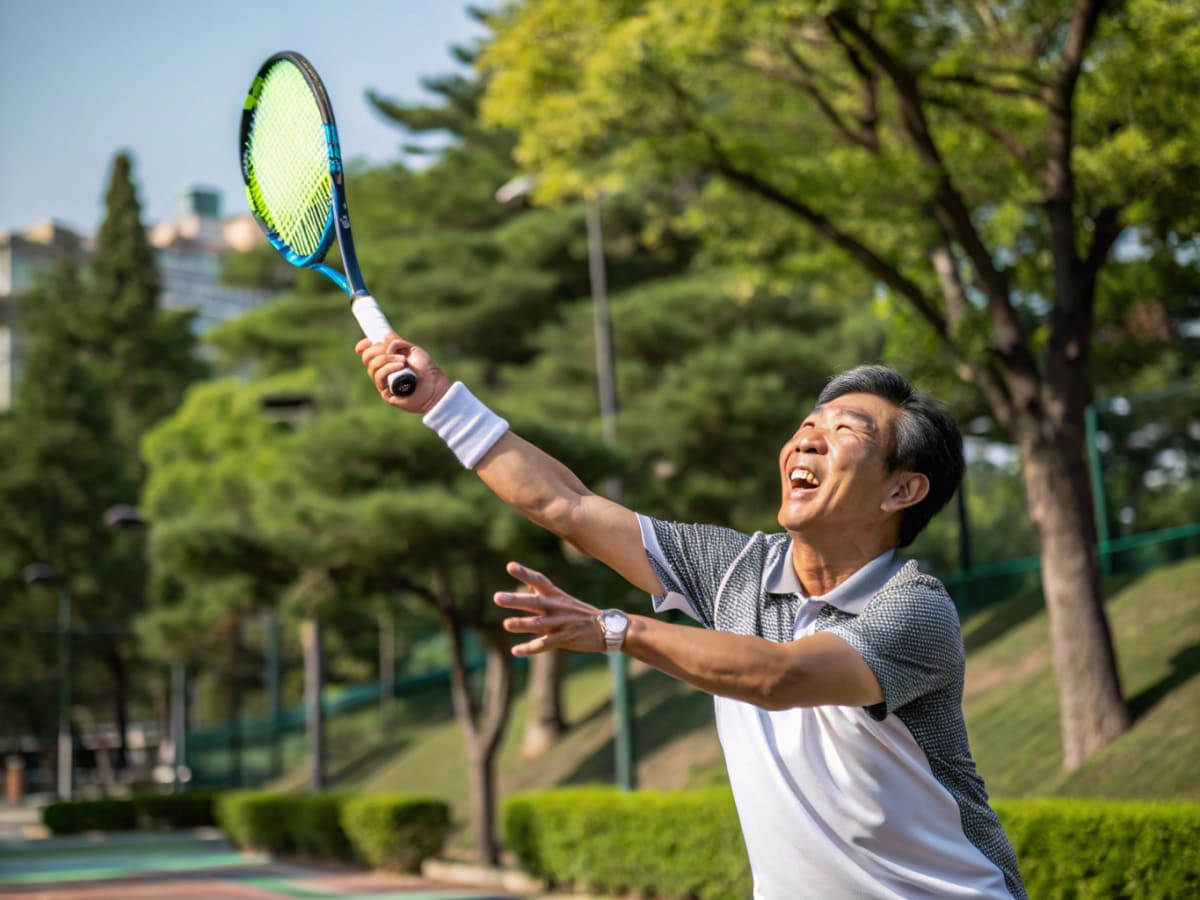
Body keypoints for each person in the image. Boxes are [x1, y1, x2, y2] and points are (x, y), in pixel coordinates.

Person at [358, 334, 1026, 900]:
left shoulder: (913, 609)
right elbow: (566, 505)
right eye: (806, 428)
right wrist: (442, 401)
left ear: (902, 490)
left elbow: (783, 679)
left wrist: (619, 630)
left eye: (845, 432)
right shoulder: (734, 568)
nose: (807, 445)